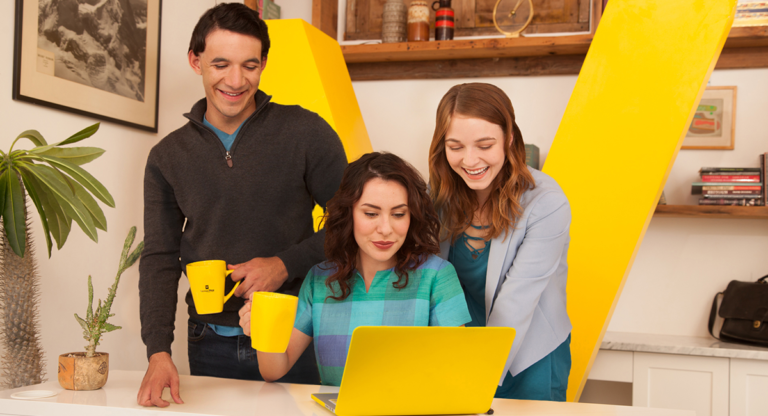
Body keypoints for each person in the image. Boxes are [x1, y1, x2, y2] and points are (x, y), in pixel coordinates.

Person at [137, 3, 347, 407]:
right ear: (195, 61)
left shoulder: (306, 132)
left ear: (264, 64)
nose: (236, 80)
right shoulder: (167, 156)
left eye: (249, 65)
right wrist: (158, 350)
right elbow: (160, 256)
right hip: (207, 341)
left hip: (293, 335)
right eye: (220, 64)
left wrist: (283, 264)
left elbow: (353, 222)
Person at [238, 153, 471, 386]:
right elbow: (274, 371)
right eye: (371, 213)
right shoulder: (319, 279)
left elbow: (456, 372)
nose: (385, 229)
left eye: (399, 214)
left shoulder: (438, 276)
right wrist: (262, 330)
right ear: (348, 213)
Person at [428, 83, 572, 401]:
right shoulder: (438, 197)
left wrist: (476, 378)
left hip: (529, 358)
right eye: (455, 146)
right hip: (459, 350)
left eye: (484, 145)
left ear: (508, 139)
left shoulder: (547, 202)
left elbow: (515, 304)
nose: (470, 160)